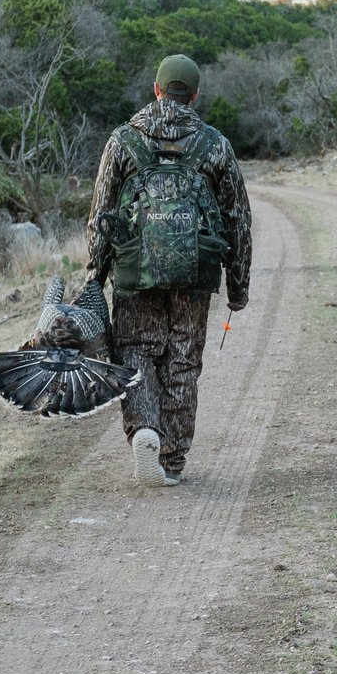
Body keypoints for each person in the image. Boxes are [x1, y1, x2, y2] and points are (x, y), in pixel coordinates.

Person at [87, 54, 252, 488]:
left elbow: (101, 215)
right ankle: (173, 461)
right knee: (182, 362)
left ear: (156, 90)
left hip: (133, 272)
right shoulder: (214, 144)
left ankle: (144, 427)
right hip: (194, 275)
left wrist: (95, 277)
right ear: (195, 95)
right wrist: (238, 287)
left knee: (136, 351)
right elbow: (238, 219)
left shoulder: (123, 141)